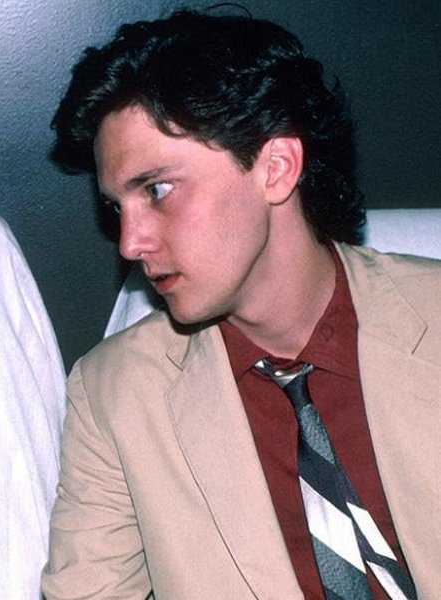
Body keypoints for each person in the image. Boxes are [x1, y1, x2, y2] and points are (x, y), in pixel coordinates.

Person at [42, 9, 440, 600]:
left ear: (276, 168)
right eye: (117, 207)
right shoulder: (113, 396)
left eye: (157, 190)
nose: (129, 242)